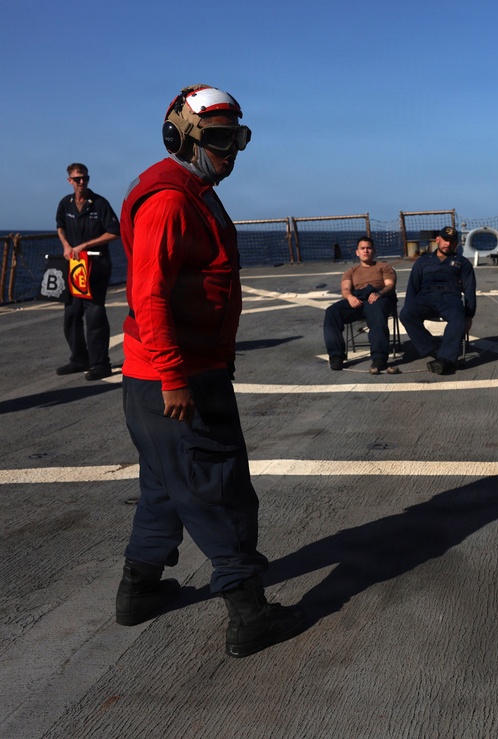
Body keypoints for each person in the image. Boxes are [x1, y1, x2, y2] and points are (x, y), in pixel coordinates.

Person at [116, 84, 304, 658]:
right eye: (221, 140)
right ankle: (249, 615)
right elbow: (148, 294)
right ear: (185, 136)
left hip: (164, 379)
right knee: (218, 489)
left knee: (163, 488)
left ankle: (138, 591)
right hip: (178, 381)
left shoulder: (194, 190)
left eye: (238, 139)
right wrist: (175, 375)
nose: (232, 153)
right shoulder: (172, 201)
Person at [55, 163, 120, 380]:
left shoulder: (99, 204)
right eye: (77, 179)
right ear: (70, 181)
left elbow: (114, 232)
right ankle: (79, 358)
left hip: (96, 265)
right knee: (72, 314)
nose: (82, 182)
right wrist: (66, 245)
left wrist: (86, 245)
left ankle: (100, 363)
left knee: (95, 315)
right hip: (74, 267)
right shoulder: (66, 204)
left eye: (84, 178)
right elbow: (60, 225)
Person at [399, 225, 476, 375]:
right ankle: (434, 349)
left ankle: (445, 359)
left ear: (456, 244)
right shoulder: (423, 261)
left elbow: (469, 289)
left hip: (450, 298)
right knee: (406, 314)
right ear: (438, 239)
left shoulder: (462, 262)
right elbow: (413, 287)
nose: (448, 244)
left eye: (452, 241)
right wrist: (410, 306)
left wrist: (469, 315)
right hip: (425, 297)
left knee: (458, 317)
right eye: (445, 240)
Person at [323, 236, 399, 375]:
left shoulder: (384, 267)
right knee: (332, 312)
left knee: (377, 312)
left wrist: (380, 294)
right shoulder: (350, 272)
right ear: (357, 252)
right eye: (362, 248)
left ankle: (379, 358)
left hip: (378, 296)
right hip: (357, 298)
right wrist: (350, 297)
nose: (366, 251)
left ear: (374, 251)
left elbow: (390, 285)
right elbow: (345, 290)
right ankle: (336, 356)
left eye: (368, 248)